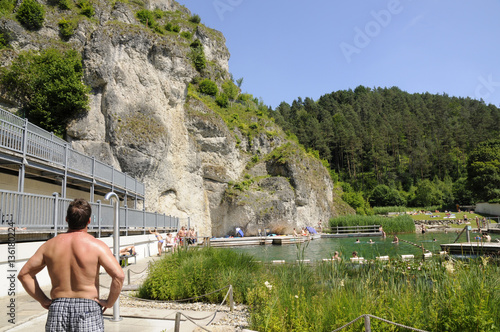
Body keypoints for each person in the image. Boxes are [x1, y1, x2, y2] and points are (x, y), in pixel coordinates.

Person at [18, 198, 124, 332]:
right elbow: (119, 276)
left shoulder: (49, 246)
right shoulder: (97, 246)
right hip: (88, 307)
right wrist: (109, 302)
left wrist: (43, 300)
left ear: (67, 219)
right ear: (89, 221)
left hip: (58, 307)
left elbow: (24, 274)